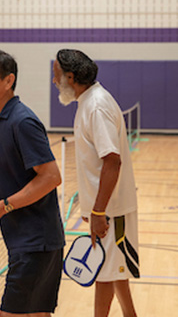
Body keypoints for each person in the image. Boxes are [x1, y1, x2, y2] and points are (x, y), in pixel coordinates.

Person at [0, 48, 65, 317]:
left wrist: (3, 207)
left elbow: (51, 177)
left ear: (8, 80)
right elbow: (17, 180)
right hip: (28, 240)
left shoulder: (22, 122)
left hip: (36, 242)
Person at [53, 49, 139, 317]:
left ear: (70, 76)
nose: (53, 81)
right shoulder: (88, 101)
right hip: (105, 208)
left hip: (112, 210)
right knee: (115, 270)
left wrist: (99, 211)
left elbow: (112, 161)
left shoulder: (97, 106)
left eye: (56, 75)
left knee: (104, 273)